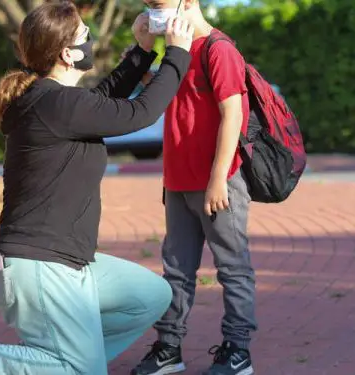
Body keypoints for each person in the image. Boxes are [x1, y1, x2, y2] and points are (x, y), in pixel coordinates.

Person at [0, 1, 193, 374]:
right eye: (85, 35)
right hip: (36, 265)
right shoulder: (55, 103)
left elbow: (101, 100)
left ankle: (57, 362)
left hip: (59, 262)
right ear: (69, 54)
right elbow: (142, 112)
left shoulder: (48, 99)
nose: (92, 39)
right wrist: (177, 53)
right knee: (82, 370)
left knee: (150, 296)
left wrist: (141, 51)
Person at [130, 0, 256, 375]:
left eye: (160, 4)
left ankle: (237, 350)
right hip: (179, 181)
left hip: (217, 183)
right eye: (149, 5)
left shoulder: (219, 50)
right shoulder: (177, 49)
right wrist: (142, 50)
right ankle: (169, 348)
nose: (153, 9)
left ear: (188, 2)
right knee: (176, 270)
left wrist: (218, 178)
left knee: (232, 268)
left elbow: (233, 114)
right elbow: (166, 97)